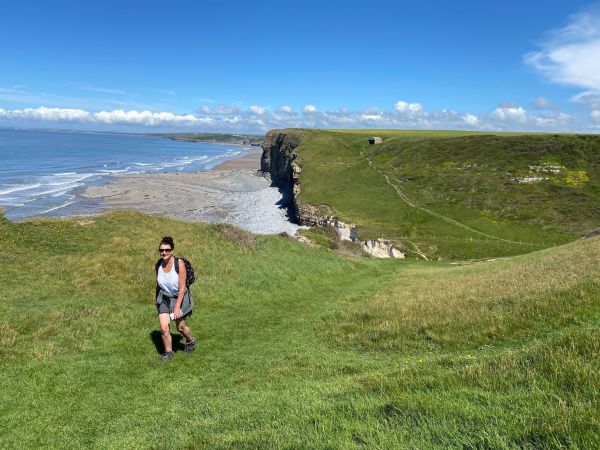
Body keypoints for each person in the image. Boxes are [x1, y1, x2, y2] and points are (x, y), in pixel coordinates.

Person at [155, 236, 196, 361]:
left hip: (179, 298)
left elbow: (182, 288)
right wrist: (156, 300)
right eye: (161, 250)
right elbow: (158, 284)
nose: (164, 252)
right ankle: (169, 352)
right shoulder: (158, 264)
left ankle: (191, 341)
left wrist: (177, 307)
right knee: (163, 328)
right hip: (164, 298)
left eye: (167, 250)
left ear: (172, 250)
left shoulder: (179, 264)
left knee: (180, 327)